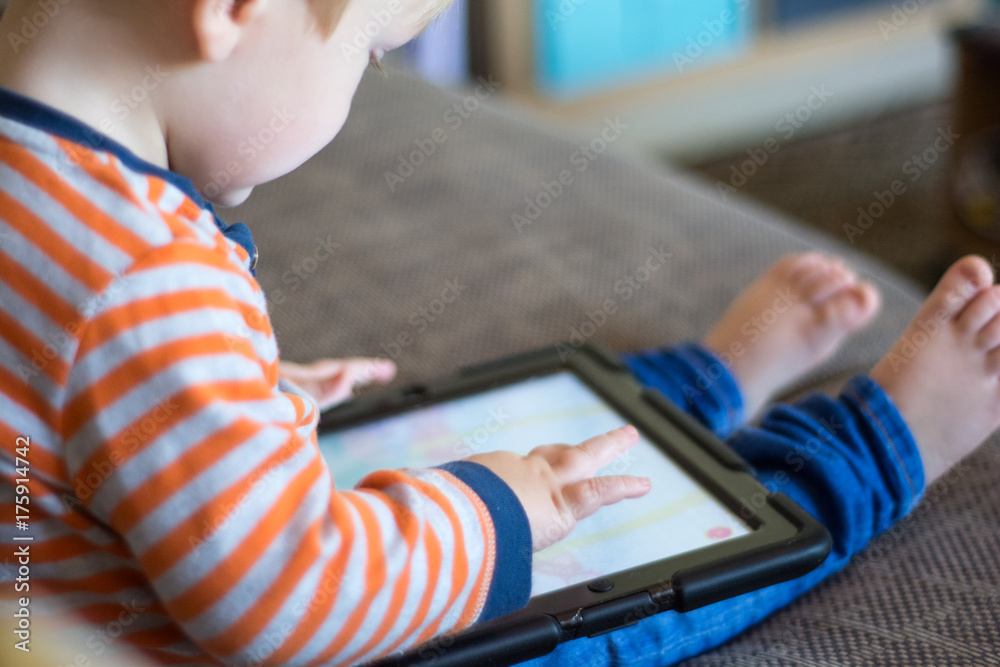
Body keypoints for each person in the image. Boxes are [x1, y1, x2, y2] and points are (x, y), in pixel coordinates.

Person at [0, 0, 996, 665]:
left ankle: (704, 382)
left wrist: (201, 415)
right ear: (232, 9)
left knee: (505, 443)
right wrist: (494, 520)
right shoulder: (148, 274)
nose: (356, 92)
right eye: (368, 54)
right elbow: (280, 597)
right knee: (576, 609)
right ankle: (878, 446)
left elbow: (43, 417)